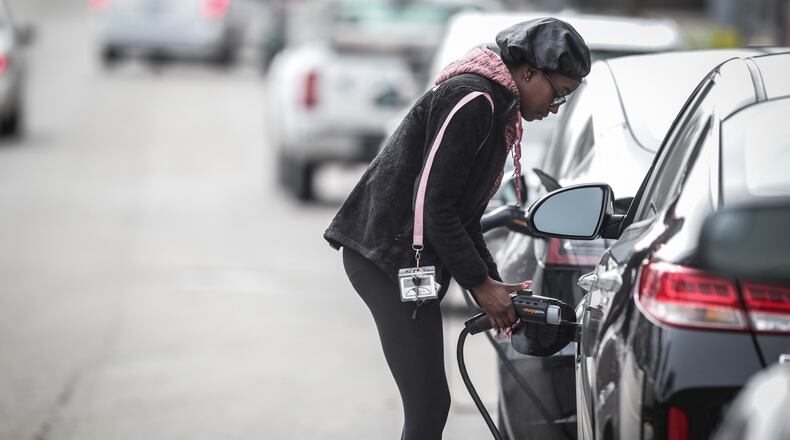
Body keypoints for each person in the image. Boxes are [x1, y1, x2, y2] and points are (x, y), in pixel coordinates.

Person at [323, 17, 591, 440]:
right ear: (527, 72)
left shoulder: (499, 106)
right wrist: (480, 285)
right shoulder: (472, 99)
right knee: (429, 404)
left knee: (431, 404)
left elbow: (465, 217)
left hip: (405, 258)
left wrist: (493, 285)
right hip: (385, 256)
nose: (555, 107)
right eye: (558, 94)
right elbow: (434, 206)